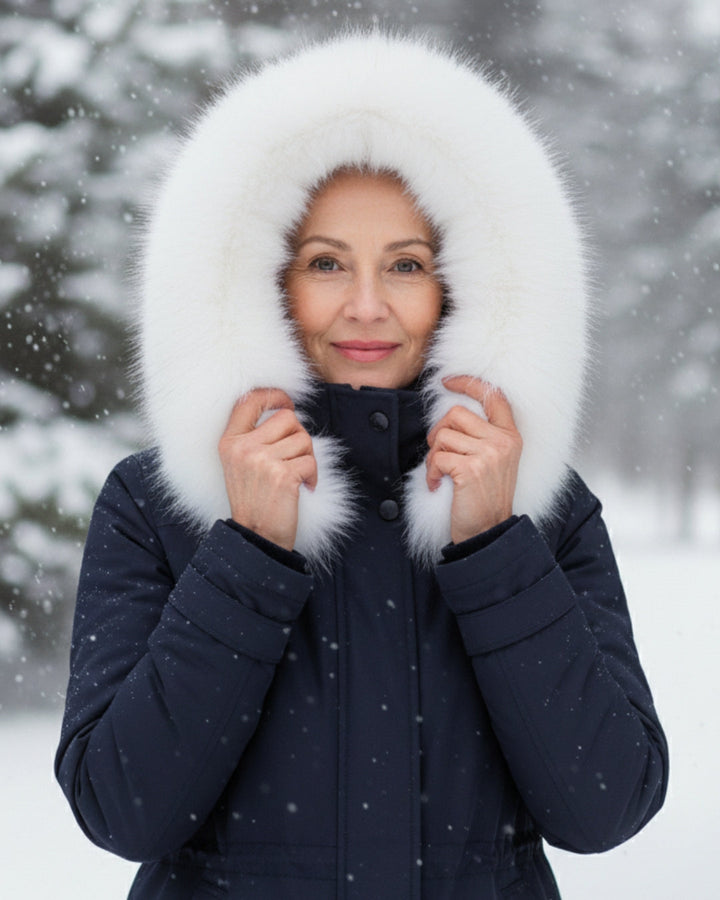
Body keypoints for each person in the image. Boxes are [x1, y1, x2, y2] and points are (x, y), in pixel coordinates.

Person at [55, 33, 668, 899]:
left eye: (407, 265)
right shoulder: (156, 504)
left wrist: (495, 550)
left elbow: (605, 809)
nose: (368, 306)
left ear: (463, 283)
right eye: (327, 263)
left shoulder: (543, 509)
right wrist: (249, 555)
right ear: (263, 279)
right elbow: (122, 809)